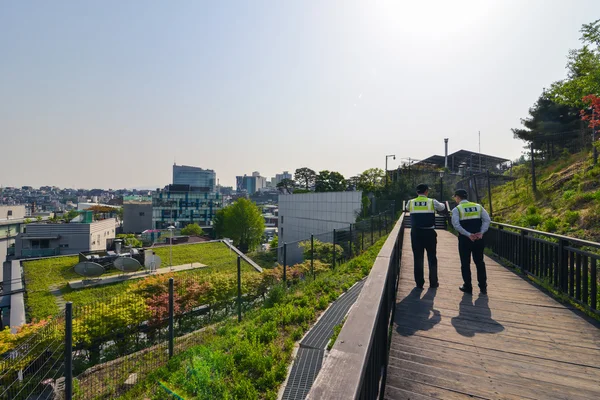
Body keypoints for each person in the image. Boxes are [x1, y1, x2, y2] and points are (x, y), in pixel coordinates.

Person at [405, 184, 446, 289]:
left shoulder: (411, 202)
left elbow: (407, 208)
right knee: (432, 257)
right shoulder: (432, 201)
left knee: (418, 258)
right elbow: (442, 207)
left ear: (417, 192)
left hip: (416, 233)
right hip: (429, 233)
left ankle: (419, 283)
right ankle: (433, 282)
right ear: (427, 191)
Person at [451, 189, 491, 294]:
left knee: (465, 263)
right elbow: (487, 220)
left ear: (458, 197)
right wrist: (481, 232)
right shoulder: (478, 206)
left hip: (465, 239)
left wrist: (468, 235)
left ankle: (467, 286)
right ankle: (483, 287)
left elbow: (456, 225)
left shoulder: (457, 209)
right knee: (480, 262)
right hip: (478, 239)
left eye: (455, 197)